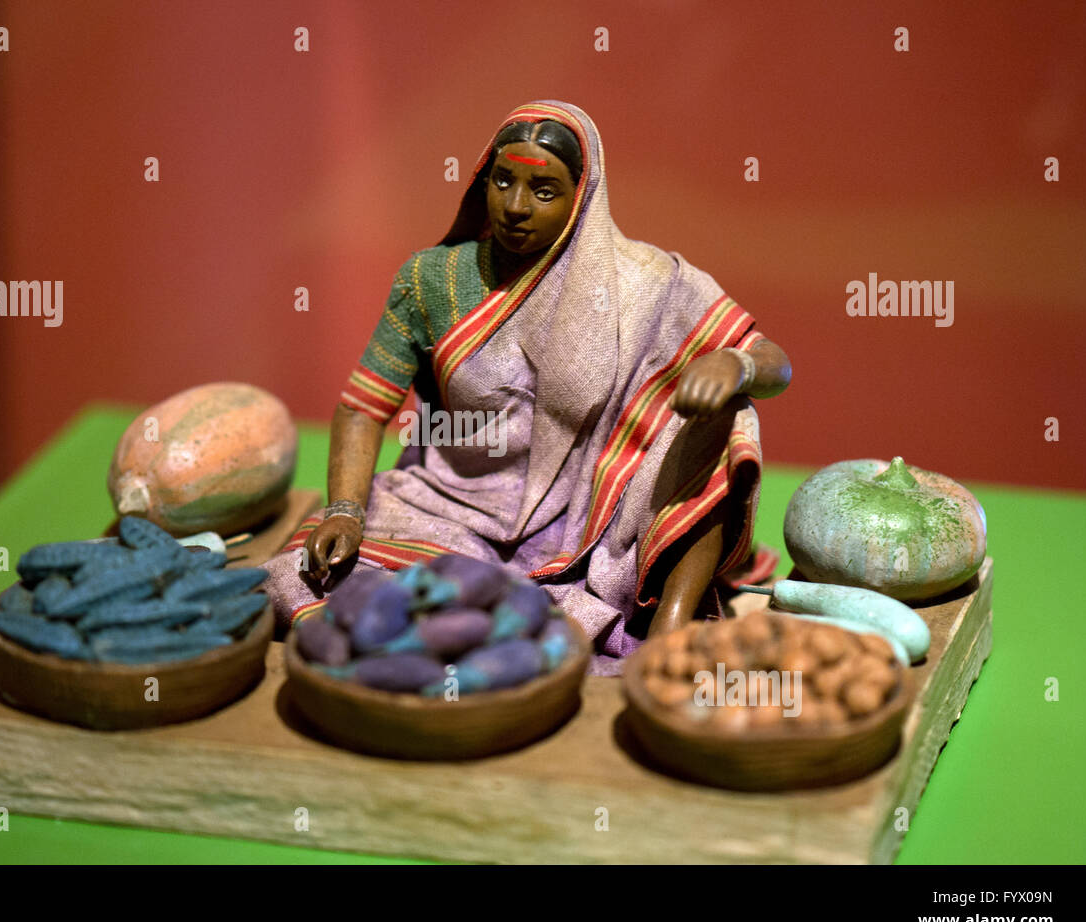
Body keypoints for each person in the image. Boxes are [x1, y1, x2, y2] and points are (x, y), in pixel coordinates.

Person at [262, 100, 791, 674]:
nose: (515, 206)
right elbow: (364, 406)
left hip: (592, 523)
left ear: (583, 197)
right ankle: (491, 627)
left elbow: (774, 364)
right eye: (503, 179)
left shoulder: (646, 282)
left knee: (730, 415)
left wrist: (735, 366)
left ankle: (671, 622)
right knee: (301, 574)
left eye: (543, 191)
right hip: (449, 506)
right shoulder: (429, 280)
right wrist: (344, 511)